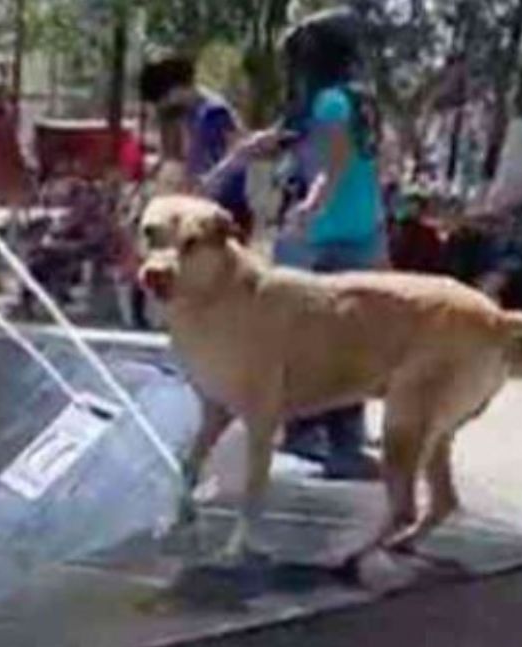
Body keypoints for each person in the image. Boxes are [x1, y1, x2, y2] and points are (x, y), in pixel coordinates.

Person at [277, 8, 385, 480]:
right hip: (365, 229)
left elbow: (332, 165)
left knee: (310, 336)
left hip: (324, 236)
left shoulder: (328, 104)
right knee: (353, 339)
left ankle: (306, 428)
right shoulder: (361, 101)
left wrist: (309, 208)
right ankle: (343, 437)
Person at [138, 52, 265, 238]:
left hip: (225, 213)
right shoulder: (191, 114)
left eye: (162, 100)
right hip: (204, 209)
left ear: (176, 90)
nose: (162, 107)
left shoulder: (213, 114)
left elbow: (228, 166)